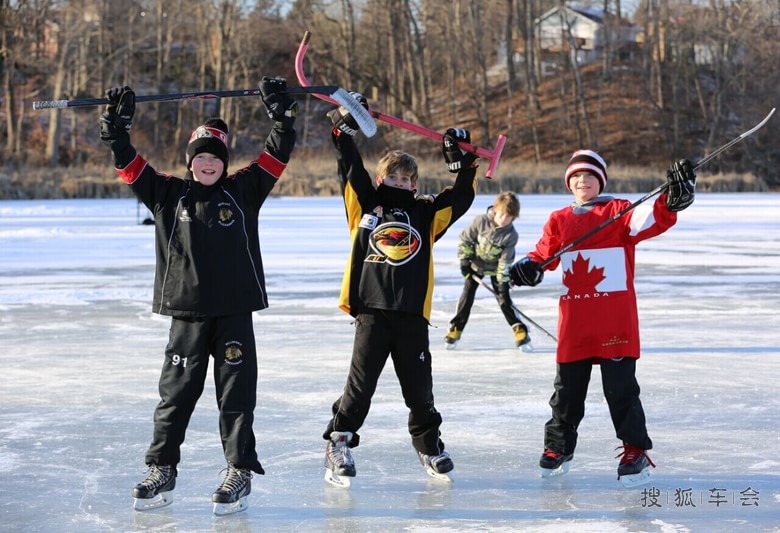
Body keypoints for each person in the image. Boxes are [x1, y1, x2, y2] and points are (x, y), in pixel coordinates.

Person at [98, 77, 298, 514]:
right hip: (186, 315)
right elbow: (128, 163)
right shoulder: (167, 194)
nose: (208, 164)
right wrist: (116, 128)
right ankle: (161, 468)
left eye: (215, 158)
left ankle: (239, 471)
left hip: (233, 314)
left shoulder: (244, 190)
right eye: (201, 157)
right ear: (190, 163)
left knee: (236, 397)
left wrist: (282, 118)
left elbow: (277, 153)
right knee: (175, 396)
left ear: (225, 163)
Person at [509, 150, 696, 486]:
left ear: (601, 181)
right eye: (576, 177)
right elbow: (543, 254)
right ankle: (558, 447)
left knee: (621, 389)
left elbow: (651, 218)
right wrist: (528, 266)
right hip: (576, 321)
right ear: (569, 183)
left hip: (614, 320)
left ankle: (635, 450)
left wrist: (671, 202)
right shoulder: (559, 219)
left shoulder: (619, 211)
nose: (583, 181)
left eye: (590, 176)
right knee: (566, 392)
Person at [321, 94, 479, 486]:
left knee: (419, 390)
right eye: (393, 177)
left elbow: (460, 198)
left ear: (415, 184)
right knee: (360, 387)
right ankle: (339, 443)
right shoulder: (365, 204)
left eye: (407, 179)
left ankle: (429, 447)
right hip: (372, 311)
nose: (400, 183)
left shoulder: (425, 213)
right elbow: (350, 168)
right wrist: (344, 131)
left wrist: (462, 161)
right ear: (381, 180)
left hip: (411, 314)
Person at [444, 191, 532, 351]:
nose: (504, 219)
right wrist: (465, 260)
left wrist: (503, 282)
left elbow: (505, 260)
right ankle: (455, 328)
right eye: (502, 214)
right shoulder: (481, 221)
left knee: (504, 299)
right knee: (467, 295)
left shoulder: (511, 235)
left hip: (496, 269)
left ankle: (519, 329)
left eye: (509, 216)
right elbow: (466, 239)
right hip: (476, 265)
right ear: (495, 210)